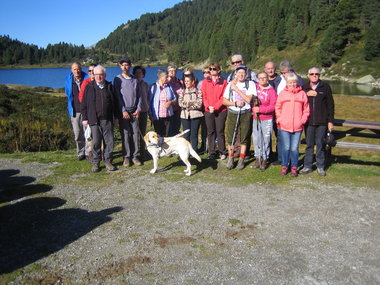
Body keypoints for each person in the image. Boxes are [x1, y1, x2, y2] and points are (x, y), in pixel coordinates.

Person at [81, 65, 119, 173]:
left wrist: (116, 117)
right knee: (96, 142)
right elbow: (84, 103)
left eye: (101, 75)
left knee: (109, 141)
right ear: (94, 75)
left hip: (107, 119)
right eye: (96, 74)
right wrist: (85, 118)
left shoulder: (109, 86)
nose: (98, 77)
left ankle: (108, 161)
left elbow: (115, 104)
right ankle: (96, 163)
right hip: (94, 120)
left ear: (105, 75)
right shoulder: (89, 87)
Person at [300, 67, 335, 176]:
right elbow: (298, 100)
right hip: (309, 122)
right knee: (309, 144)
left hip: (322, 122)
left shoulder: (325, 87)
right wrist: (306, 93)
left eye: (317, 74)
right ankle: (307, 166)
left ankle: (320, 166)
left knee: (320, 144)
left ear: (319, 75)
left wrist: (330, 121)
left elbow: (330, 105)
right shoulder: (304, 87)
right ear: (308, 75)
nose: (314, 76)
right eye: (312, 74)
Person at [275, 72, 310, 177]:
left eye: (294, 82)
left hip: (297, 126)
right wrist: (280, 119)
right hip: (284, 126)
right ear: (287, 83)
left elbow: (306, 109)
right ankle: (284, 166)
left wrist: (302, 120)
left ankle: (294, 167)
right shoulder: (283, 93)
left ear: (297, 82)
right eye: (290, 82)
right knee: (286, 147)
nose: (292, 84)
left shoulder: (302, 94)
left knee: (294, 148)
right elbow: (278, 107)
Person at [223, 65, 256, 170]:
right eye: (239, 72)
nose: (241, 75)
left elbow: (249, 100)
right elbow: (224, 101)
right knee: (230, 136)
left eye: (243, 73)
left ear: (246, 74)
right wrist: (235, 103)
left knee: (244, 136)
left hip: (245, 112)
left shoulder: (250, 84)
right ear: (236, 73)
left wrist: (237, 89)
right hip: (233, 112)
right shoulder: (230, 85)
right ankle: (231, 158)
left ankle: (241, 159)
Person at [272, 60, 303, 165]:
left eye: (285, 72)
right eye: (282, 72)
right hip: (281, 115)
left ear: (290, 70)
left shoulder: (297, 80)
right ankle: (281, 159)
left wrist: (302, 119)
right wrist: (278, 116)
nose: (284, 75)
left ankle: (291, 161)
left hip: (295, 117)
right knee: (280, 138)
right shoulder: (278, 80)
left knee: (293, 143)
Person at [114, 57, 142, 167]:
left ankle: (135, 156)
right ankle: (126, 157)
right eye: (123, 65)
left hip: (134, 111)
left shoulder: (135, 79)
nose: (125, 67)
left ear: (130, 66)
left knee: (135, 134)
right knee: (125, 135)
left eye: (127, 65)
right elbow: (117, 96)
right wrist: (123, 110)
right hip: (124, 112)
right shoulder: (117, 79)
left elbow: (139, 96)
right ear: (120, 66)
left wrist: (138, 109)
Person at [201, 62, 228, 160]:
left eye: (214, 69)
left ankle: (222, 151)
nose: (212, 71)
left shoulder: (224, 82)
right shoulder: (205, 82)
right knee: (210, 131)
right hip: (208, 110)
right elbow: (204, 96)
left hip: (221, 110)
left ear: (219, 70)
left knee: (220, 131)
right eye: (210, 69)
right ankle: (211, 151)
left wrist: (215, 107)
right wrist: (208, 106)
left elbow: (224, 97)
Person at [251, 72, 277, 170]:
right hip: (256, 118)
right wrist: (253, 109)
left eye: (264, 78)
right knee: (257, 138)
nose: (262, 80)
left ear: (267, 79)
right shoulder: (255, 88)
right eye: (260, 78)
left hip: (267, 118)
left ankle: (265, 158)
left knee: (266, 139)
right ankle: (258, 158)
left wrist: (261, 110)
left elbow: (273, 106)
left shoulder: (271, 91)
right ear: (257, 79)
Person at [64, 62, 89, 160]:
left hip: (86, 111)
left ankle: (88, 153)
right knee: (78, 134)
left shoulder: (86, 78)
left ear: (81, 69)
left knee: (88, 134)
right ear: (71, 70)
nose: (76, 71)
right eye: (74, 69)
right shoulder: (68, 79)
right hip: (75, 111)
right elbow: (67, 93)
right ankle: (80, 152)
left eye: (78, 69)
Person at [178, 73, 204, 151]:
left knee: (194, 134)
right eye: (185, 81)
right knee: (186, 134)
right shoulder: (182, 92)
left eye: (188, 81)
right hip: (185, 116)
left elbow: (199, 104)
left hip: (196, 116)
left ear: (193, 82)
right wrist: (192, 104)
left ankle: (194, 150)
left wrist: (188, 105)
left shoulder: (198, 92)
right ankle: (186, 151)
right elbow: (180, 103)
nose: (186, 83)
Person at [149, 69, 177, 137]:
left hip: (168, 116)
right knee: (158, 136)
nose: (168, 78)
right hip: (157, 117)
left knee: (167, 135)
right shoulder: (153, 87)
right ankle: (160, 147)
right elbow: (149, 102)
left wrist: (170, 102)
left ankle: (166, 147)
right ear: (161, 77)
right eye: (166, 77)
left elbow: (175, 99)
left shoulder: (168, 86)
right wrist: (150, 115)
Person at [133, 65, 150, 161]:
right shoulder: (132, 83)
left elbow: (147, 98)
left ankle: (143, 153)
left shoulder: (145, 85)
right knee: (135, 133)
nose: (138, 74)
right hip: (135, 112)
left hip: (144, 112)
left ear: (143, 74)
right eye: (136, 72)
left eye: (140, 73)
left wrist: (148, 108)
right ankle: (135, 154)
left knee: (143, 133)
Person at [197, 66, 211, 153]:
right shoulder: (200, 83)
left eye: (208, 72)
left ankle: (211, 146)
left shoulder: (213, 82)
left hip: (211, 108)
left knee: (211, 129)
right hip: (202, 109)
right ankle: (203, 146)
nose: (206, 74)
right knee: (203, 128)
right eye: (204, 72)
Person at [167, 65, 183, 136]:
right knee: (169, 130)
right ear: (168, 72)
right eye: (170, 71)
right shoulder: (165, 82)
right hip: (168, 110)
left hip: (178, 109)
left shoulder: (180, 82)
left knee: (176, 129)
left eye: (174, 71)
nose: (172, 72)